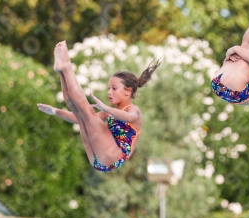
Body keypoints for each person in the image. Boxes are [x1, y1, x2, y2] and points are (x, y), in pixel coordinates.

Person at [37, 41, 160, 172]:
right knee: (78, 111)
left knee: (85, 109)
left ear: (128, 91)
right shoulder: (110, 112)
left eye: (114, 88)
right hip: (98, 159)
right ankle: (61, 70)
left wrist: (106, 108)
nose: (109, 92)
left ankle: (66, 66)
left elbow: (129, 118)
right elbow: (77, 119)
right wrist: (55, 111)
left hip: (113, 156)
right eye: (109, 88)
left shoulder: (133, 110)